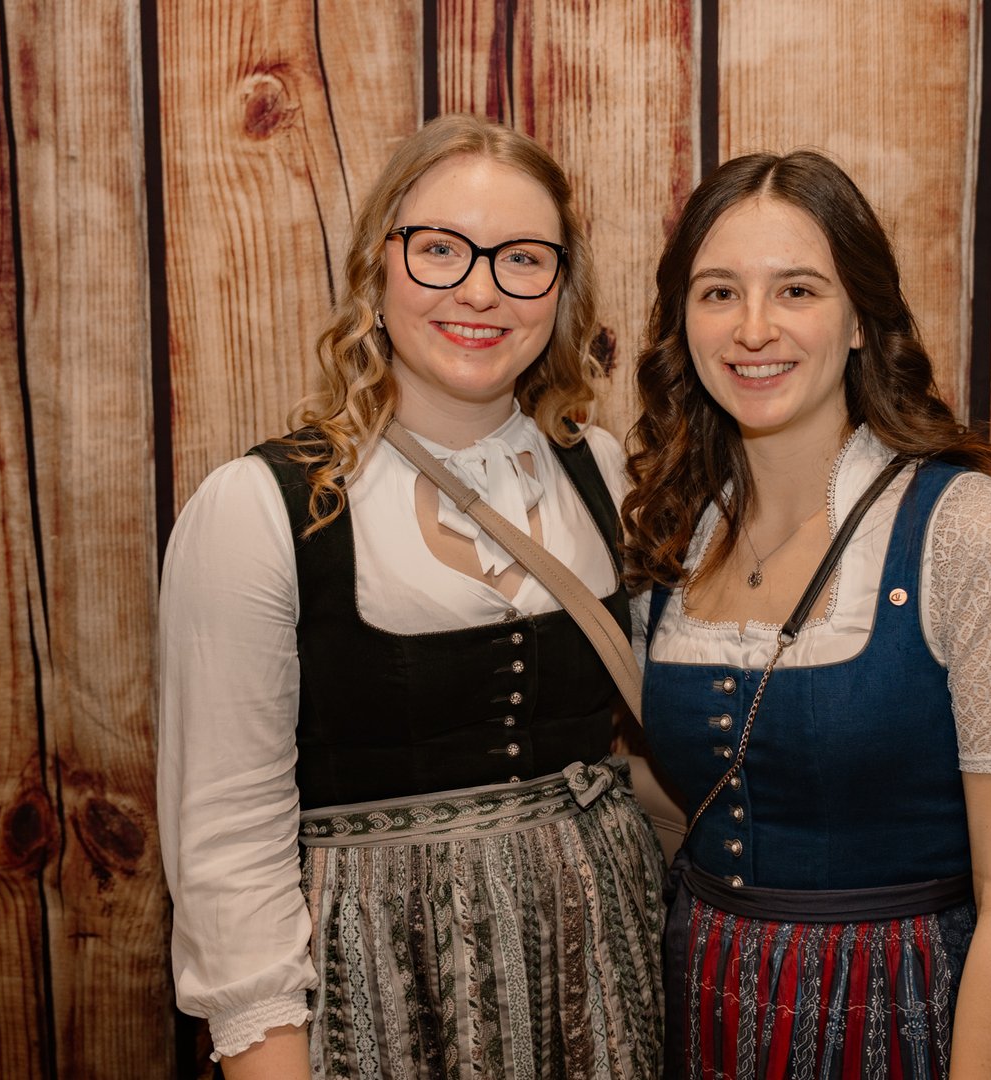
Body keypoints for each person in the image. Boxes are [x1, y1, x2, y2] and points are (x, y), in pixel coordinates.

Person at [156, 114, 665, 1080]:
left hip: (598, 978)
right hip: (377, 993)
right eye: (439, 249)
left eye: (523, 258)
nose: (480, 289)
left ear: (560, 290)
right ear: (376, 268)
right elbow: (227, 851)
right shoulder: (261, 507)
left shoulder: (599, 471)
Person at [621, 150, 991, 1079]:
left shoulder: (967, 530)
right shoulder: (673, 537)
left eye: (797, 290)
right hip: (702, 1009)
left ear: (862, 317)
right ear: (682, 322)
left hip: (902, 1016)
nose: (753, 328)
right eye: (718, 293)